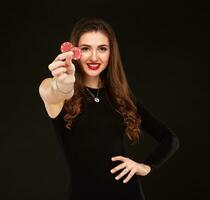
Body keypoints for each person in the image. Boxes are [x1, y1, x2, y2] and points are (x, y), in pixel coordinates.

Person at [38, 17, 179, 200]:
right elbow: (52, 91)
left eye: (102, 49)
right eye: (86, 48)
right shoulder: (55, 88)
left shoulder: (122, 98)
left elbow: (170, 139)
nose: (94, 57)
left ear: (111, 53)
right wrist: (64, 85)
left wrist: (144, 167)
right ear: (75, 52)